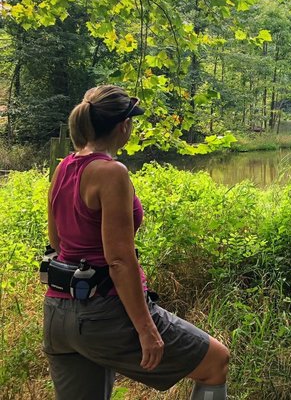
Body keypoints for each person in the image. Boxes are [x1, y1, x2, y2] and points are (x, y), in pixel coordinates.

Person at [43, 85, 230, 400]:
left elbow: (56, 241)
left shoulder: (64, 167)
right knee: (216, 362)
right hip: (102, 312)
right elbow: (118, 261)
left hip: (57, 313)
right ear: (124, 125)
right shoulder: (111, 172)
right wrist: (145, 328)